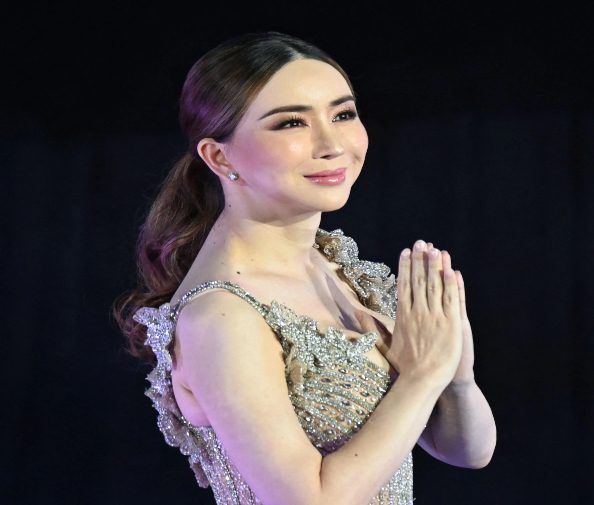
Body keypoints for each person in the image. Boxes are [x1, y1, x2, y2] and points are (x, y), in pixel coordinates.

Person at [113, 31, 496, 505]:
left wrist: (454, 376)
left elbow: (468, 450)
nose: (332, 143)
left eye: (343, 114)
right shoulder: (220, 315)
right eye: (291, 123)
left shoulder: (346, 276)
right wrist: (421, 377)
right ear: (219, 155)